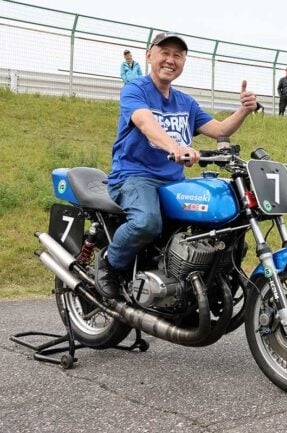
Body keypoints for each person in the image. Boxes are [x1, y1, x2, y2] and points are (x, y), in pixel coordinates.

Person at [97, 32, 258, 299]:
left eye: (178, 55)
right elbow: (145, 122)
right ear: (149, 56)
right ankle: (109, 265)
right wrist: (175, 146)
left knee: (220, 223)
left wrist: (243, 110)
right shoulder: (135, 89)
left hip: (173, 181)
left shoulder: (186, 102)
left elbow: (219, 130)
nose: (171, 60)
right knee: (146, 223)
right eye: (165, 53)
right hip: (135, 177)